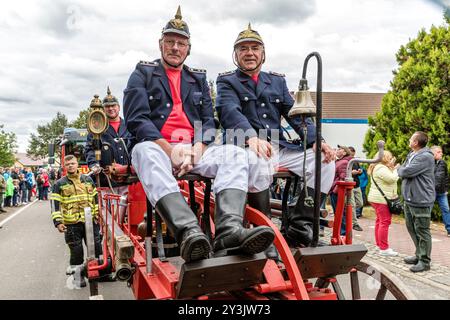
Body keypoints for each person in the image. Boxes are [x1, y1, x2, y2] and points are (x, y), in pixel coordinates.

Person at [123, 7, 274, 263]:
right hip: (158, 146)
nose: (175, 48)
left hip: (193, 148)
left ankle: (228, 233)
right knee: (144, 152)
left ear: (188, 48)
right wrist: (171, 151)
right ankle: (189, 232)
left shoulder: (198, 79)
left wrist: (197, 150)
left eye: (181, 43)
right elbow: (137, 120)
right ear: (160, 45)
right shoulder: (143, 73)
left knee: (236, 154)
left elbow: (208, 121)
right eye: (170, 42)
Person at [215, 23, 335, 249]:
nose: (249, 53)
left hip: (279, 147)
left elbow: (295, 114)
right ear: (235, 54)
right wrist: (251, 137)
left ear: (263, 53)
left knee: (325, 161)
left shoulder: (277, 81)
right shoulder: (226, 81)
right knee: (259, 159)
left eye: (254, 48)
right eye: (243, 48)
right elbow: (229, 112)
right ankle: (265, 233)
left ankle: (300, 226)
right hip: (245, 147)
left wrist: (317, 140)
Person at [50, 155, 103, 287]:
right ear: (64, 166)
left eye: (73, 163)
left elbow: (95, 199)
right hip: (71, 224)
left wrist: (97, 215)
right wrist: (58, 222)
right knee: (76, 251)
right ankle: (78, 277)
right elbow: (54, 204)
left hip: (90, 221)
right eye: (68, 164)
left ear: (77, 164)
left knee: (96, 248)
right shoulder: (59, 184)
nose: (71, 166)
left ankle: (100, 273)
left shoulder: (88, 180)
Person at [398, 131, 435, 273]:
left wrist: (401, 170)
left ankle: (424, 261)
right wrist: (402, 169)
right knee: (411, 227)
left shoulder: (425, 156)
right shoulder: (412, 154)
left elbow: (404, 172)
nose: (409, 140)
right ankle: (418, 254)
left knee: (422, 230)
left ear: (416, 142)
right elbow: (403, 169)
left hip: (421, 199)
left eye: (411, 138)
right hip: (410, 199)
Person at [85, 87, 132, 196]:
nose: (111, 109)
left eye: (113, 105)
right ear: (103, 109)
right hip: (107, 181)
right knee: (110, 212)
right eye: (107, 106)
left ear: (119, 107)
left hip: (128, 179)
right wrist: (94, 164)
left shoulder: (130, 125)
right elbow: (90, 149)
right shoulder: (96, 128)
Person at [367, 150, 399, 256]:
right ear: (385, 158)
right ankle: (384, 248)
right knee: (385, 222)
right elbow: (392, 178)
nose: (391, 159)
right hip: (381, 200)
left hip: (378, 199)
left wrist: (391, 168)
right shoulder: (380, 167)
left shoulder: (379, 167)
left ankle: (379, 244)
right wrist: (395, 169)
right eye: (389, 157)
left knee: (379, 221)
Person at [430, 146, 449, 236]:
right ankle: (424, 228)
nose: (441, 153)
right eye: (438, 152)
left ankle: (449, 229)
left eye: (441, 152)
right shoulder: (428, 163)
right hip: (430, 192)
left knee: (446, 209)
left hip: (442, 192)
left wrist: (446, 189)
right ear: (433, 153)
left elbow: (446, 177)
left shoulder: (443, 163)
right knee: (427, 210)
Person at [348, 146, 364, 231]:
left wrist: (359, 171)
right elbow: (342, 173)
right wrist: (351, 172)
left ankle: (347, 211)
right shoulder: (346, 161)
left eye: (353, 155)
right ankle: (354, 223)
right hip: (349, 186)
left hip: (357, 185)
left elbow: (359, 170)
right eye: (351, 154)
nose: (352, 156)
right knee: (352, 205)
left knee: (360, 203)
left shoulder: (355, 161)